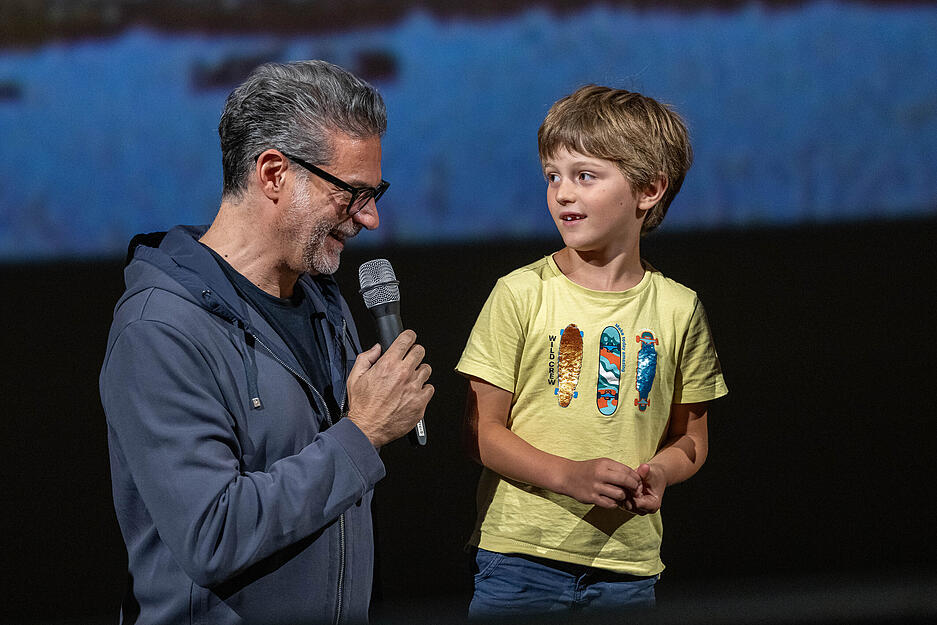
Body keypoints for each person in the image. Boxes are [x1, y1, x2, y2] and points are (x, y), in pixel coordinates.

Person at [99, 60, 433, 625]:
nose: (370, 218)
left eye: (375, 193)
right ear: (274, 173)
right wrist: (363, 434)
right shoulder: (160, 330)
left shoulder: (325, 304)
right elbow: (213, 533)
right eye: (352, 193)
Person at [456, 85, 728, 618]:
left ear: (648, 189)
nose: (562, 194)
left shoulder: (678, 308)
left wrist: (661, 474)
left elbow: (690, 438)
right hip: (520, 560)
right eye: (552, 176)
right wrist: (568, 476)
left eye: (584, 175)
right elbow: (479, 432)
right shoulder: (520, 293)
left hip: (627, 567)